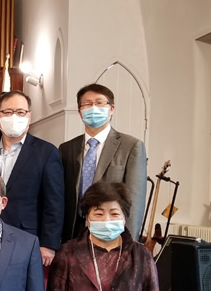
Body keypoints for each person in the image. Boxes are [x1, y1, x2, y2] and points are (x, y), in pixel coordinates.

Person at [0, 90, 64, 266]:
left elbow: (54, 202)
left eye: (20, 112)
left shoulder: (46, 152)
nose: (14, 117)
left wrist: (48, 243)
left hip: (28, 237)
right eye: (7, 112)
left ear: (29, 116)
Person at [60, 83, 147, 241]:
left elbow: (135, 201)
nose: (93, 108)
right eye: (87, 104)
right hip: (73, 232)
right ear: (80, 112)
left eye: (100, 103)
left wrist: (128, 243)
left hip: (110, 232)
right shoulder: (67, 148)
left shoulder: (131, 146)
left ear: (111, 109)